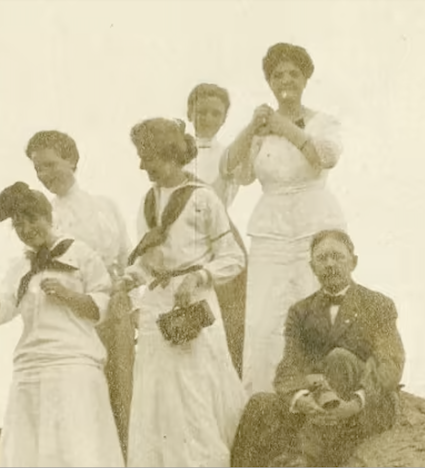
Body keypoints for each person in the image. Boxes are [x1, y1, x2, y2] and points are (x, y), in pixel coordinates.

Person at [116, 117, 247, 467]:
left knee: (194, 392)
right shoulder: (148, 202)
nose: (142, 165)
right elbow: (150, 261)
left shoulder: (202, 198)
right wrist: (132, 277)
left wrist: (201, 276)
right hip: (157, 305)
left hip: (193, 305)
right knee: (157, 395)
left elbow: (233, 257)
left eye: (147, 156)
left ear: (170, 153)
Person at [223, 42, 349, 397]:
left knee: (318, 302)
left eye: (294, 73)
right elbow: (234, 170)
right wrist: (253, 127)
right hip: (271, 228)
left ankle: (326, 394)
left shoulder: (323, 121)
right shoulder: (261, 129)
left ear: (306, 78)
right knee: (266, 316)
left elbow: (324, 157)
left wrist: (282, 125)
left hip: (315, 221)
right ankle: (268, 397)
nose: (286, 80)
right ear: (269, 81)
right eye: (277, 75)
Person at [0, 181, 126, 467]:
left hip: (73, 363)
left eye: (32, 220)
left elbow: (102, 305)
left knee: (75, 449)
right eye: (18, 225)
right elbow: (1, 312)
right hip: (31, 367)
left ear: (48, 217)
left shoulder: (80, 253)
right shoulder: (20, 267)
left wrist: (68, 294)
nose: (27, 229)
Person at [229, 230, 405, 467]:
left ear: (353, 262)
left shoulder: (378, 305)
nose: (330, 264)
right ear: (312, 267)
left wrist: (354, 403)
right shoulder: (301, 311)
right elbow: (289, 368)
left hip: (365, 406)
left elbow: (390, 364)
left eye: (337, 256)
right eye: (322, 259)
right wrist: (301, 399)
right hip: (318, 404)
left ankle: (307, 456)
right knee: (260, 404)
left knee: (339, 358)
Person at [21, 130, 136, 451]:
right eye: (37, 169)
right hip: (74, 313)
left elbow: (127, 255)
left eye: (50, 164)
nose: (44, 175)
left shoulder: (105, 206)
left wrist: (134, 305)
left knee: (123, 384)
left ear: (71, 159)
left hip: (115, 306)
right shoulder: (47, 216)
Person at [186, 83, 251, 376]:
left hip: (219, 233)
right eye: (201, 112)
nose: (208, 119)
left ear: (224, 118)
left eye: (215, 113)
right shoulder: (177, 150)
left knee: (228, 314)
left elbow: (245, 177)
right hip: (182, 236)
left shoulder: (228, 153)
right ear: (189, 112)